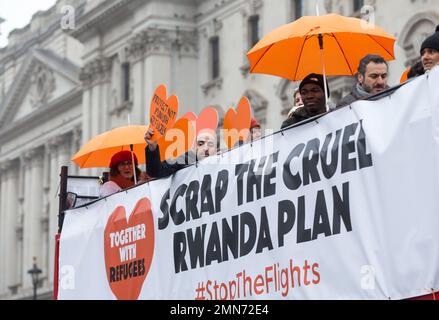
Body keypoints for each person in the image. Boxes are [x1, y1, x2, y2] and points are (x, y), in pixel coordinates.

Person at [144, 127, 217, 178]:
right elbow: (155, 171)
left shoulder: (224, 162)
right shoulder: (185, 160)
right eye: (201, 144)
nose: (206, 148)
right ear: (195, 147)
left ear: (216, 149)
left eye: (210, 144)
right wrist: (152, 148)